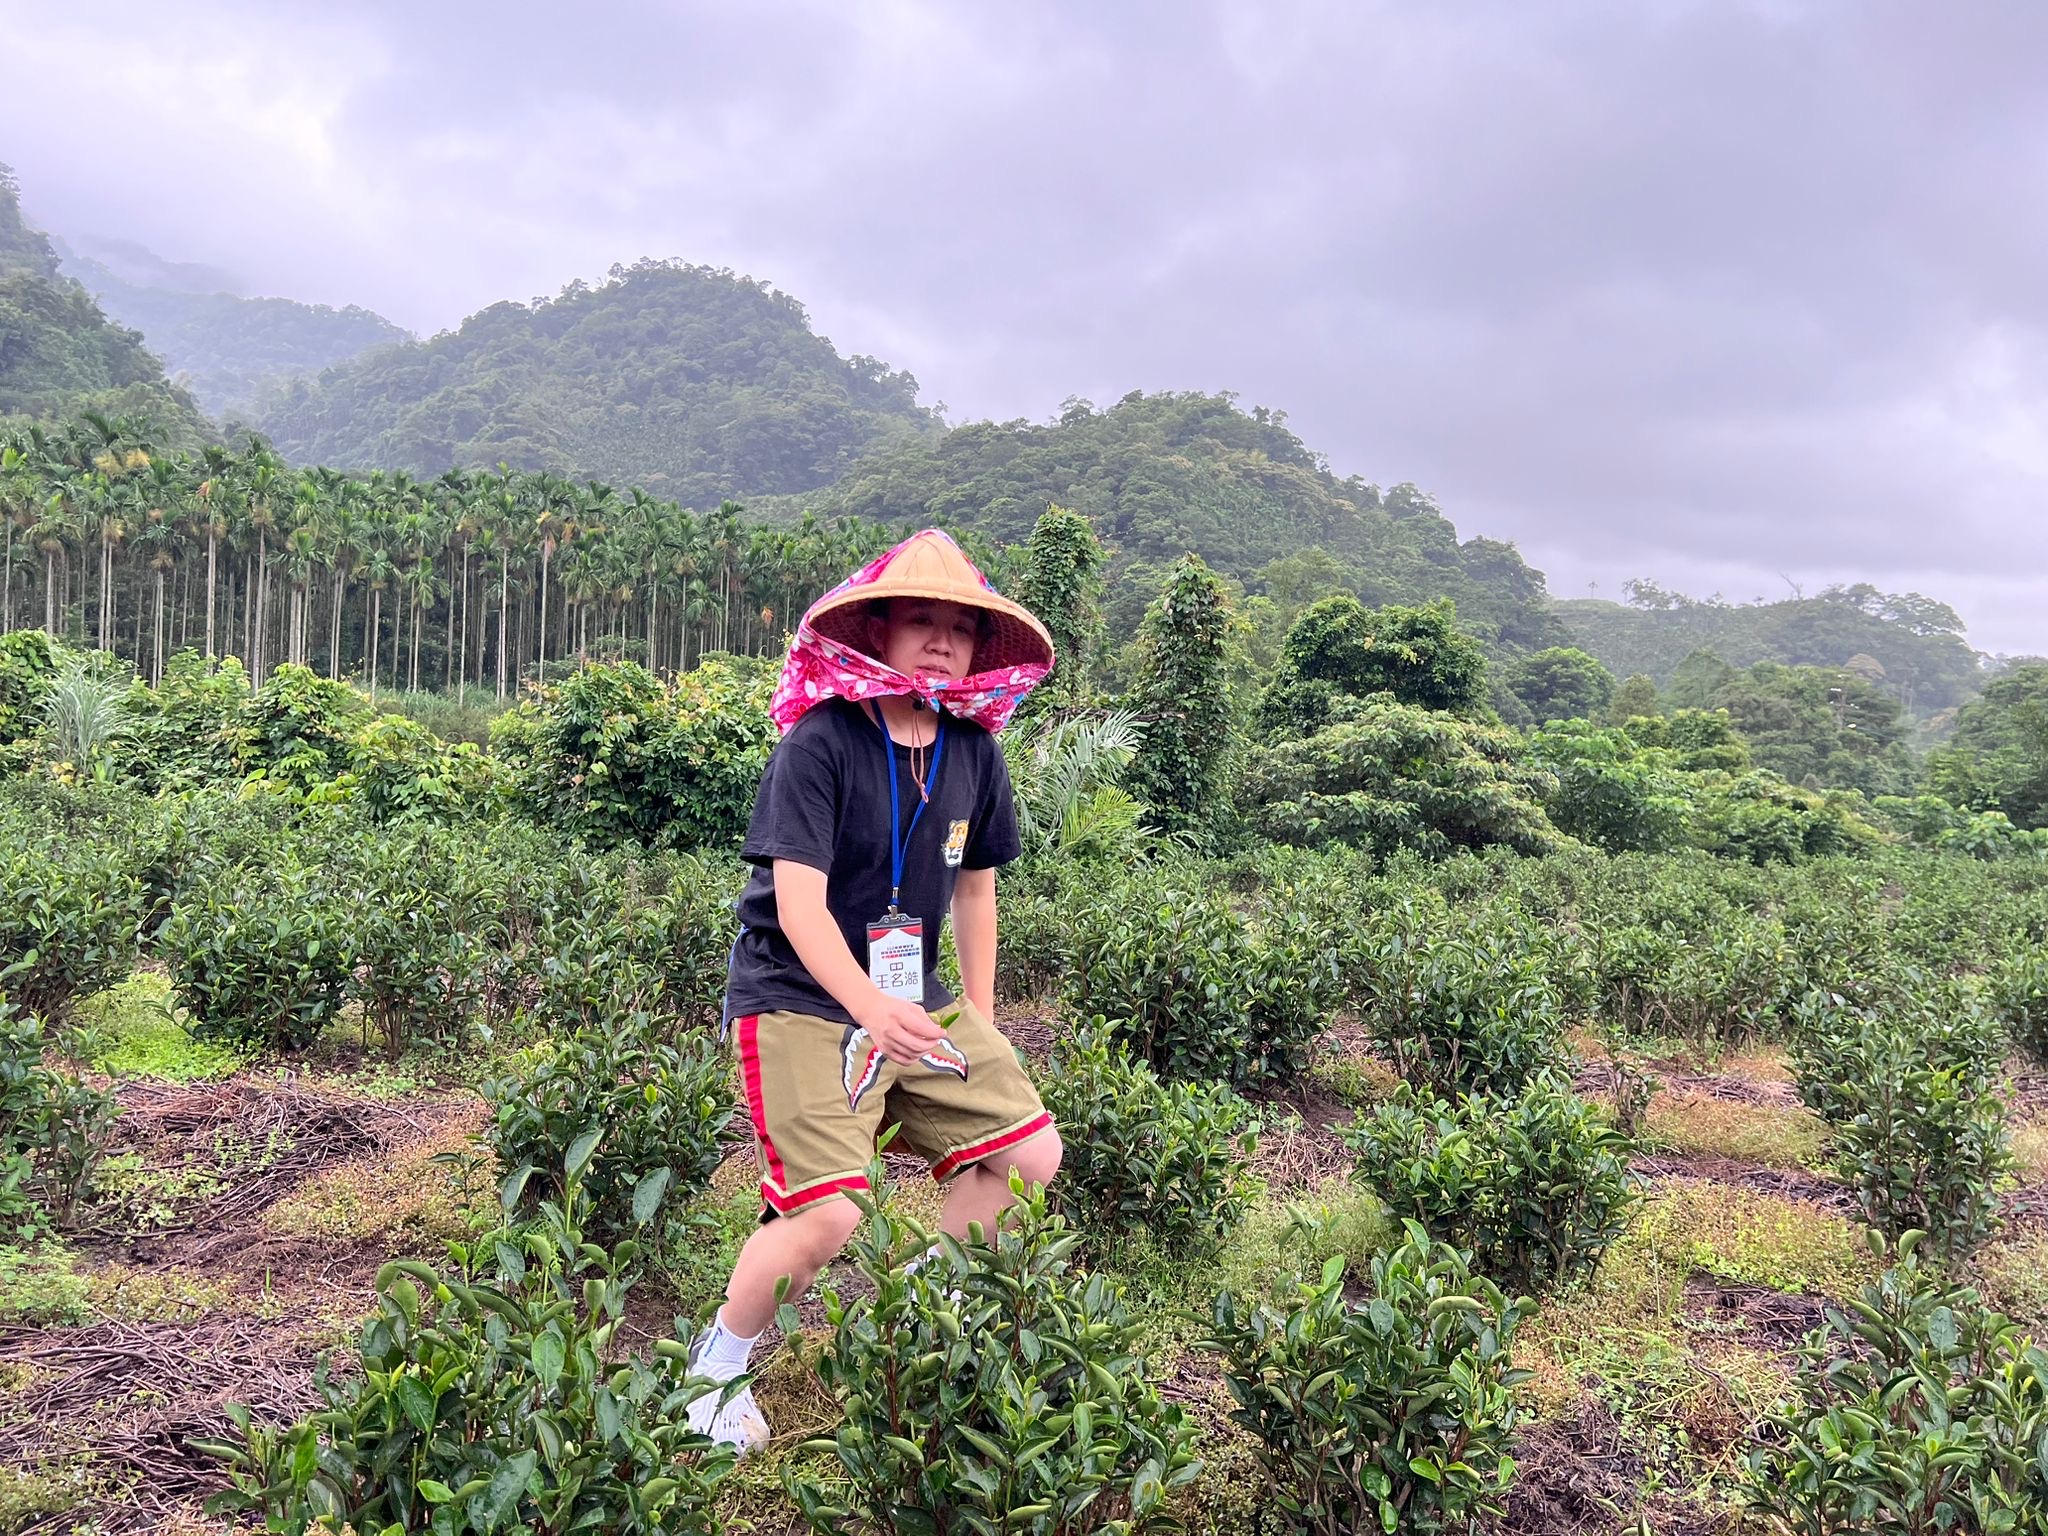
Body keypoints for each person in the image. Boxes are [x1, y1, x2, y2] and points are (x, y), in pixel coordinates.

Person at [687, 528, 1064, 1453]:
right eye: (921, 621)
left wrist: (972, 1013)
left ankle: (918, 1316)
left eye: (960, 628)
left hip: (917, 995)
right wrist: (868, 1009)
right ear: (880, 630)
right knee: (828, 1210)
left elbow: (975, 890)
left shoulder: (973, 750)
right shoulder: (821, 742)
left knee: (1029, 1157)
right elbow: (799, 903)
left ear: (979, 648)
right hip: (801, 995)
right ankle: (709, 1372)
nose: (941, 640)